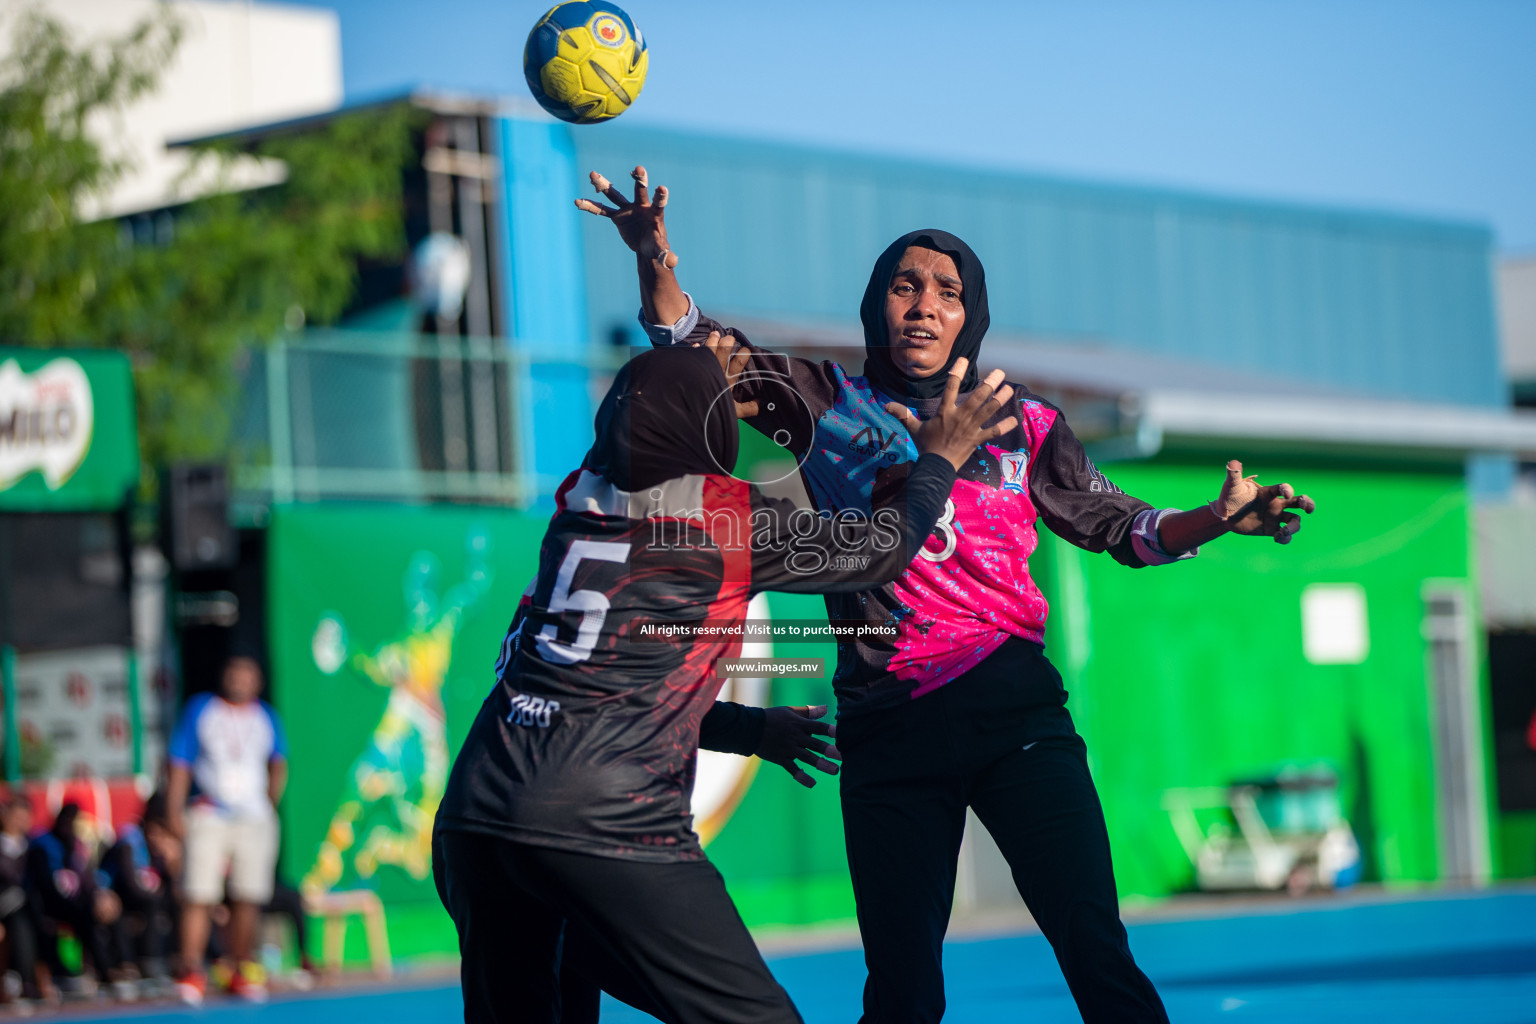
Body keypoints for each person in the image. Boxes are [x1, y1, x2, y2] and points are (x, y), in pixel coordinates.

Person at [579, 166, 1318, 1024]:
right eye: (904, 286)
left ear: (972, 317)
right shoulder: (823, 404)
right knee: (901, 994)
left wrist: (1214, 520)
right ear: (876, 305)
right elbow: (698, 346)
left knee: (1096, 953)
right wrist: (652, 252)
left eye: (947, 292)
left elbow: (1124, 527)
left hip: (1017, 719)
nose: (924, 304)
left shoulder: (1025, 422)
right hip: (889, 727)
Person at [434, 343, 1015, 1024]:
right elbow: (882, 548)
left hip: (479, 817)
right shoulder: (727, 519)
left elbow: (605, 694)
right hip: (604, 825)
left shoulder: (578, 503)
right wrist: (940, 458)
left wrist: (751, 728)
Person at [165, 655, 288, 1004]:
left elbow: (279, 762)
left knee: (249, 895)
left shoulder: (267, 716)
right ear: (223, 676)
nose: (239, 680)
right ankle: (190, 969)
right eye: (233, 673)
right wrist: (174, 810)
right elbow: (180, 761)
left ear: (258, 682)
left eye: (247, 675)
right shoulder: (202, 709)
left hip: (254, 817)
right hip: (210, 812)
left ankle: (241, 968)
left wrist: (268, 802)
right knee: (199, 893)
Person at [25, 803, 131, 997]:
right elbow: (46, 887)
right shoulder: (44, 846)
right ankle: (100, 969)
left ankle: (123, 963)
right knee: (85, 916)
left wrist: (101, 896)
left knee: (110, 907)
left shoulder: (76, 848)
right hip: (52, 905)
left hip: (79, 903)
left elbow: (88, 880)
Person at [102, 793, 179, 983]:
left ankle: (183, 959)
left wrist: (173, 863)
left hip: (143, 896)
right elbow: (130, 883)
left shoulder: (165, 842)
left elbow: (172, 886)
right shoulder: (130, 837)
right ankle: (146, 962)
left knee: (181, 904)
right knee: (150, 904)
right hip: (115, 892)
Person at [0, 797, 44, 1004]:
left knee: (33, 915)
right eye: (16, 816)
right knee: (20, 916)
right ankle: (24, 981)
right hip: (6, 906)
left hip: (30, 907)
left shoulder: (35, 845)